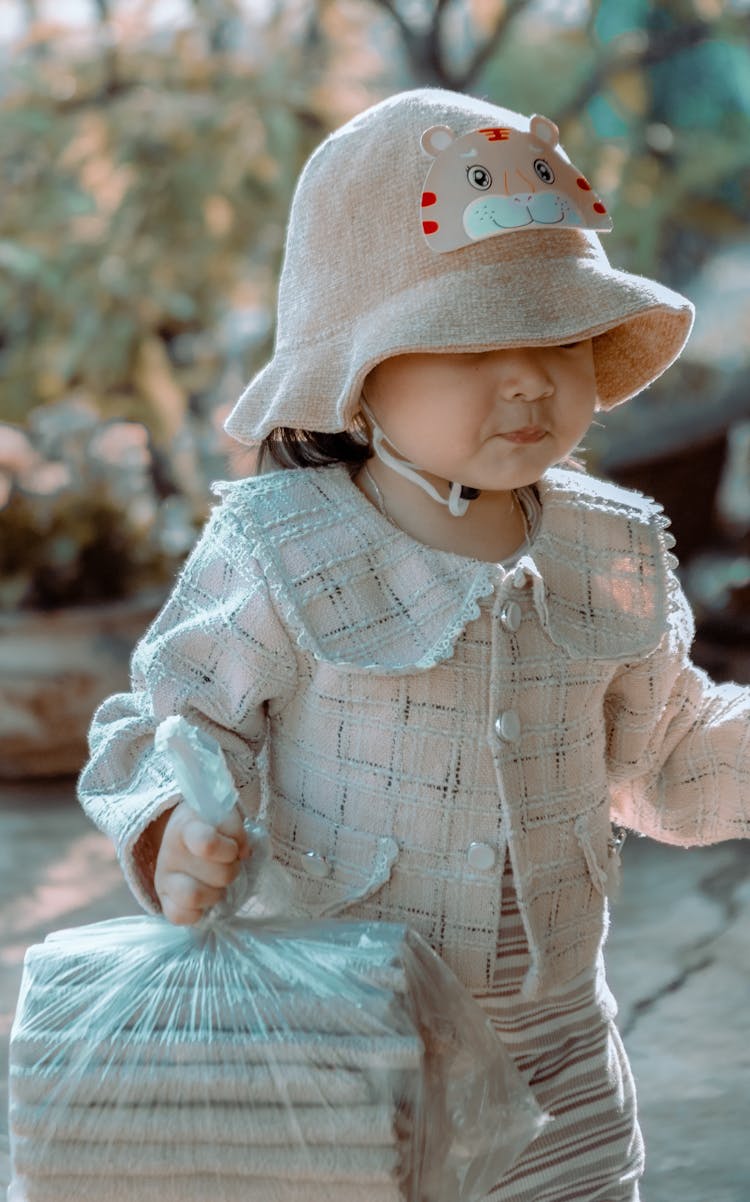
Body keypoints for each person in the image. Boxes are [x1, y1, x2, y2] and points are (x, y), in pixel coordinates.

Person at [78, 89, 750, 1200]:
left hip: (561, 1041)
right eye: (475, 340)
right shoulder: (286, 544)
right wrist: (179, 825)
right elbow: (171, 717)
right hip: (344, 1033)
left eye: (557, 332)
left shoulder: (608, 543)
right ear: (358, 374)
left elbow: (665, 754)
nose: (530, 375)